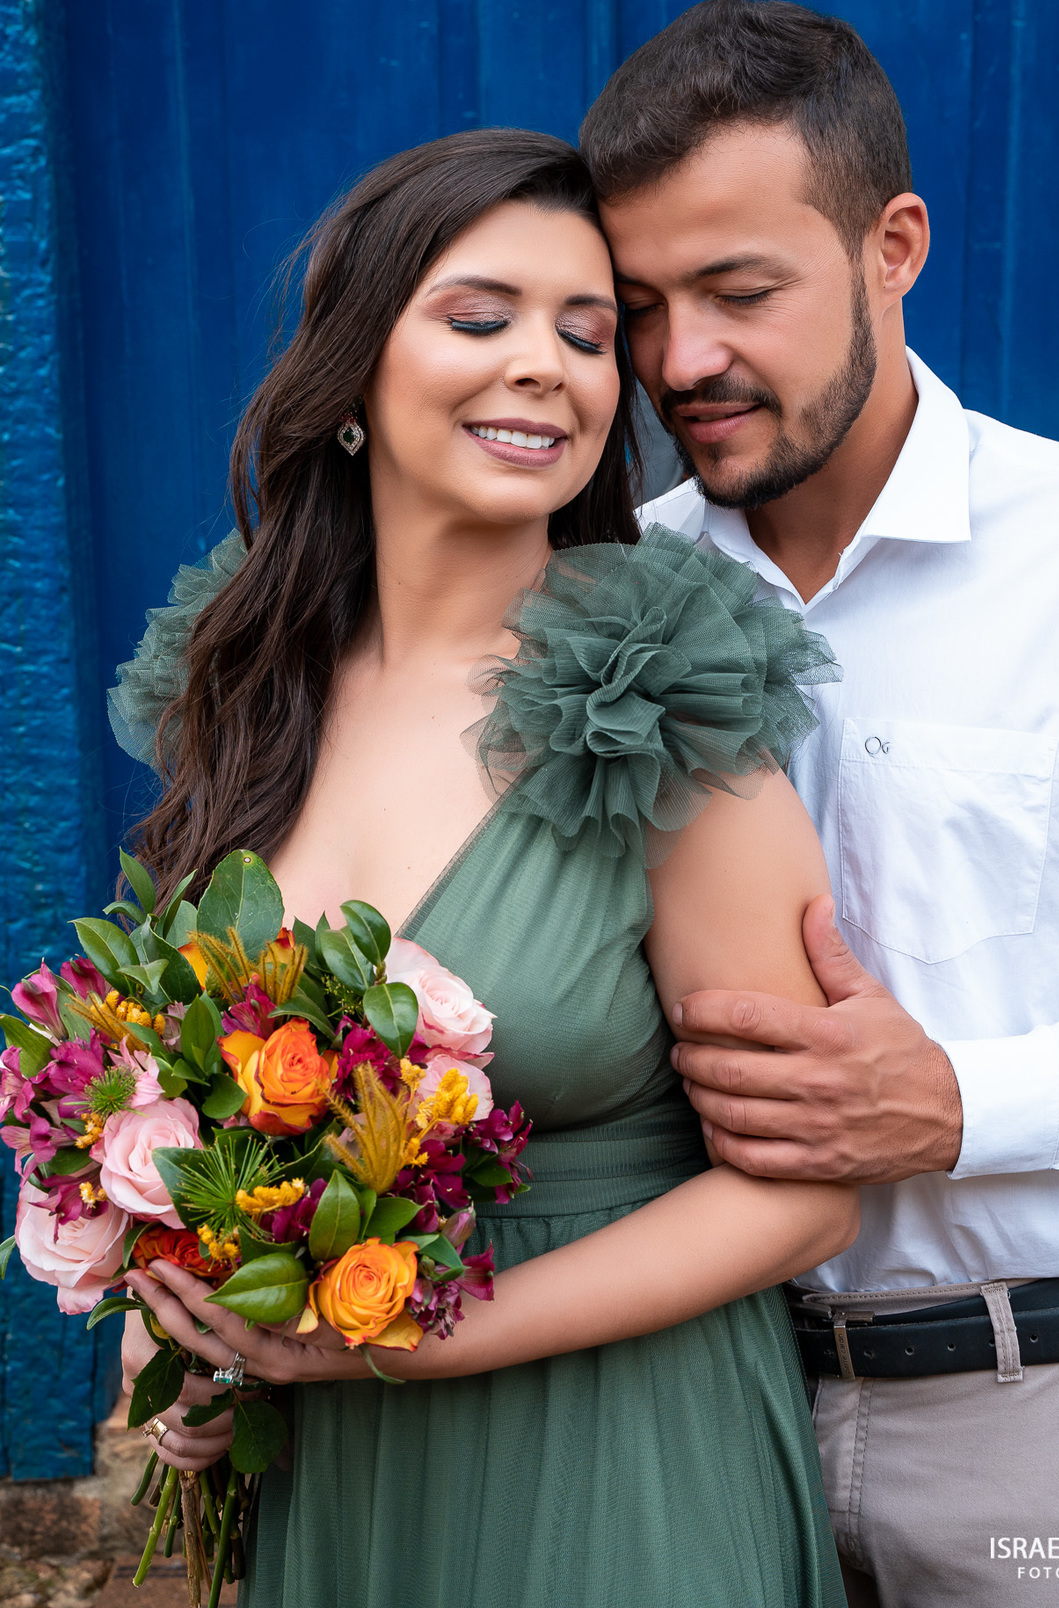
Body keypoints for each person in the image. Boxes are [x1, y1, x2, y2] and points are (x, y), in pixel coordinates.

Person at [111, 129, 858, 1608]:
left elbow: (807, 1199)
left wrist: (408, 1334)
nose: (551, 366)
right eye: (481, 317)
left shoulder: (653, 698)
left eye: (588, 335)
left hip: (621, 1467)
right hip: (338, 1481)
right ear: (351, 380)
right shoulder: (252, 690)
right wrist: (183, 1318)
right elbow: (187, 1089)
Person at [578, 0, 1059, 1606]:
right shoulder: (601, 599)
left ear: (893, 245)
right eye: (638, 306)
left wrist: (961, 1107)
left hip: (1037, 1426)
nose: (678, 362)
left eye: (737, 291)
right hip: (682, 1418)